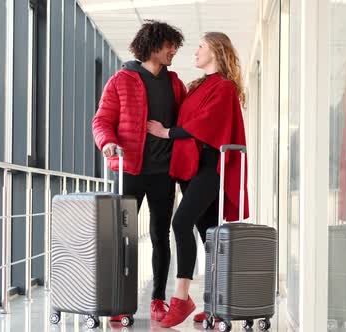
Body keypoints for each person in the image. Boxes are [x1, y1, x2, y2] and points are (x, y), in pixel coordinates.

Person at [146, 31, 249, 328]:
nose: (195, 52)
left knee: (180, 223)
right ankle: (217, 305)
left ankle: (181, 298)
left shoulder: (225, 87)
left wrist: (166, 132)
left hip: (210, 167)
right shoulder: (198, 86)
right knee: (208, 234)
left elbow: (203, 125)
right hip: (192, 167)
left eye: (201, 47)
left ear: (216, 51)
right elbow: (187, 118)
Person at [92, 20, 187, 322]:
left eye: (176, 46)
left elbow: (186, 124)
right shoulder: (121, 80)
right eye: (169, 45)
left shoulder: (175, 84)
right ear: (153, 46)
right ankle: (120, 301)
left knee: (160, 235)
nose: (174, 51)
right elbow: (102, 120)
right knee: (124, 238)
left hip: (163, 173)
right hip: (129, 170)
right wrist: (107, 142)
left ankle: (158, 299)